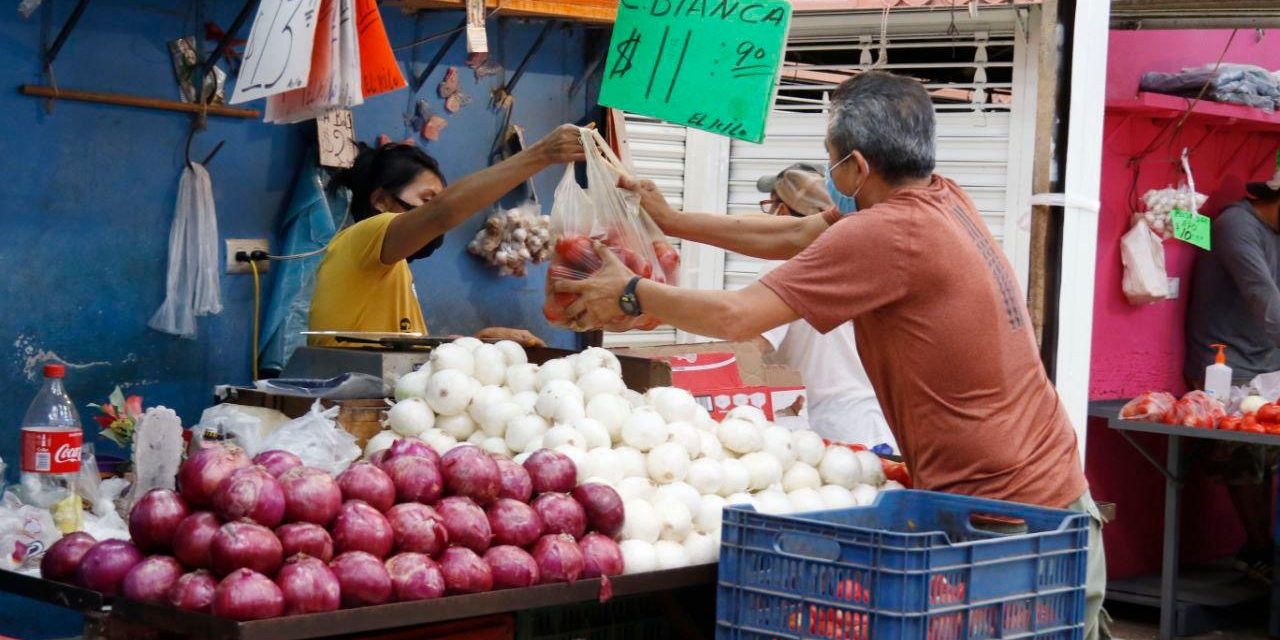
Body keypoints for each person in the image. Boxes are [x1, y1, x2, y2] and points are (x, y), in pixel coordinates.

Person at [556, 71, 1106, 639]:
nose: (830, 174)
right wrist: (671, 221)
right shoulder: (940, 197)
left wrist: (631, 292)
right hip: (1054, 499)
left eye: (832, 158)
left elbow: (736, 316)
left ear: (859, 168)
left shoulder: (888, 233)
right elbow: (791, 237)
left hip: (1006, 524)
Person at [308, 124, 587, 347]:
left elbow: (406, 361)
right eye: (426, 199)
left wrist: (473, 346)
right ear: (381, 200)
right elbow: (442, 213)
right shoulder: (359, 240)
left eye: (435, 200)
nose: (432, 212)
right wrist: (542, 154)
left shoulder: (395, 268)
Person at [752, 163, 897, 450]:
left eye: (770, 205)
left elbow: (751, 345)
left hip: (825, 440)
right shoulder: (863, 265)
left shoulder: (787, 269)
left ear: (781, 213)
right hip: (878, 430)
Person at [1183, 169, 1280, 582]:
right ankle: (1259, 552)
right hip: (1224, 367)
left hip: (1267, 362)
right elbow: (1264, 297)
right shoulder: (1235, 225)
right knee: (1247, 452)